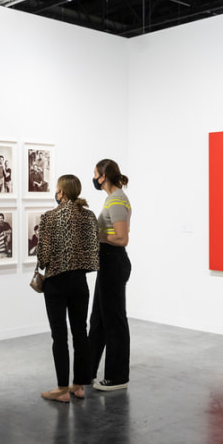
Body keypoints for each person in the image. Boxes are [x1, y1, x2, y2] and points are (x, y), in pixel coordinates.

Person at [36, 174, 99, 403]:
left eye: (57, 190)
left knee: (59, 336)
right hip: (79, 282)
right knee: (80, 333)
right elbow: (93, 251)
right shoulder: (89, 216)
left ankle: (62, 389)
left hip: (56, 282)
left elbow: (43, 257)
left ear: (61, 192)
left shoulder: (50, 217)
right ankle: (79, 386)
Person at [88, 159, 132, 392]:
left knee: (114, 321)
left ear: (103, 176)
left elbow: (122, 238)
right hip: (107, 262)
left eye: (95, 174)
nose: (93, 178)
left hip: (114, 261)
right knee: (98, 320)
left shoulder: (116, 199)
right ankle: (88, 372)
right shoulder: (111, 198)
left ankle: (117, 377)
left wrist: (98, 237)